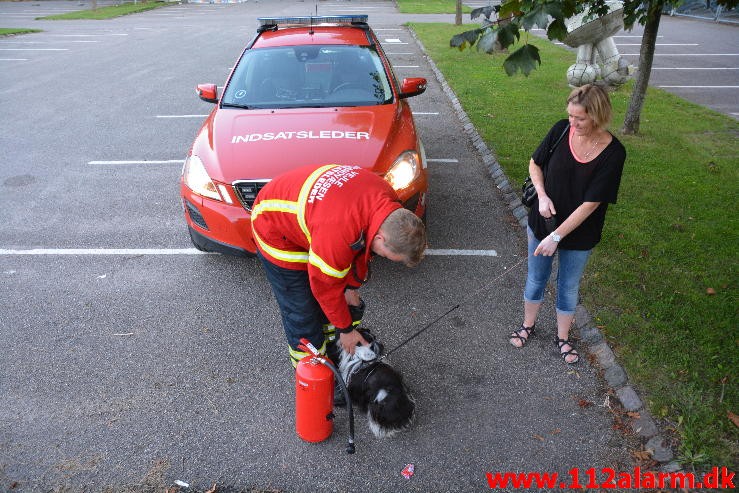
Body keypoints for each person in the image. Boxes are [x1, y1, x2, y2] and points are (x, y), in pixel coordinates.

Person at [251, 164, 427, 369]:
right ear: (381, 237)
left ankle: (333, 348)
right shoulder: (339, 232)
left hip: (316, 219)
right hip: (274, 228)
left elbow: (359, 247)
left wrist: (350, 287)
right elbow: (325, 287)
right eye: (388, 256)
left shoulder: (386, 203)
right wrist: (346, 330)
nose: (385, 259)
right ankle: (313, 371)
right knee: (301, 309)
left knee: (338, 302)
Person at [509, 84, 626, 364]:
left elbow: (591, 203)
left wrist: (557, 237)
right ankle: (528, 325)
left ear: (598, 115)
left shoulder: (614, 153)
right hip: (542, 222)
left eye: (580, 118)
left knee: (568, 285)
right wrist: (542, 196)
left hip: (580, 233)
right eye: (571, 116)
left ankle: (563, 338)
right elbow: (535, 164)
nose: (573, 123)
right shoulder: (561, 130)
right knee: (536, 277)